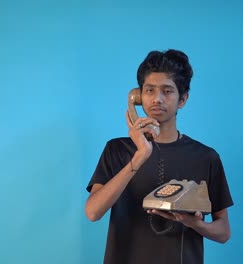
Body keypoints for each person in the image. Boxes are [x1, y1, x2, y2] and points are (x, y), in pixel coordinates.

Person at [85, 49, 233, 264]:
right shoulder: (116, 150)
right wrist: (139, 157)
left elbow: (224, 232)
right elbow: (93, 212)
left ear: (182, 99)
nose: (157, 99)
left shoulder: (205, 157)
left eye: (167, 91)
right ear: (137, 96)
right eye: (150, 90)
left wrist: (194, 223)